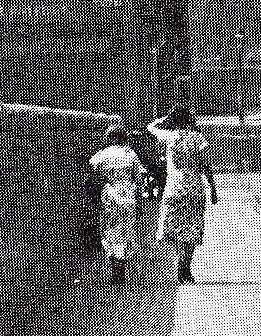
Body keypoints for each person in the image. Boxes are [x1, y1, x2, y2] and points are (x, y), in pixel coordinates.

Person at [147, 106, 219, 284]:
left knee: (174, 228)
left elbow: (150, 127)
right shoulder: (198, 139)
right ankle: (185, 265)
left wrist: (167, 118)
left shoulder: (169, 136)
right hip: (194, 189)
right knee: (192, 229)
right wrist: (213, 188)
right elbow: (206, 166)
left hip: (174, 188)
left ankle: (180, 258)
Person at [89, 124, 150, 285]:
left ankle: (114, 268)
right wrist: (139, 203)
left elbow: (92, 173)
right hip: (128, 195)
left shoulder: (102, 154)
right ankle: (120, 269)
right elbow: (139, 180)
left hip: (110, 195)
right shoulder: (130, 154)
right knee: (125, 232)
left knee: (110, 231)